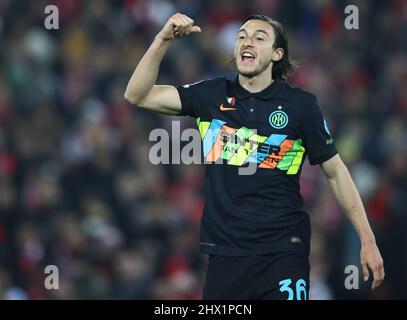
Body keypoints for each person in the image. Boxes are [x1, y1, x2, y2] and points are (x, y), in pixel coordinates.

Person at [124, 13, 385, 300]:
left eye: (259, 37)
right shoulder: (209, 96)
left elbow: (335, 172)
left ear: (277, 54)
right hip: (225, 255)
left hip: (283, 252)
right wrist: (162, 40)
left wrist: (367, 238)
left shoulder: (301, 106)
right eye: (242, 36)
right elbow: (137, 95)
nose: (247, 41)